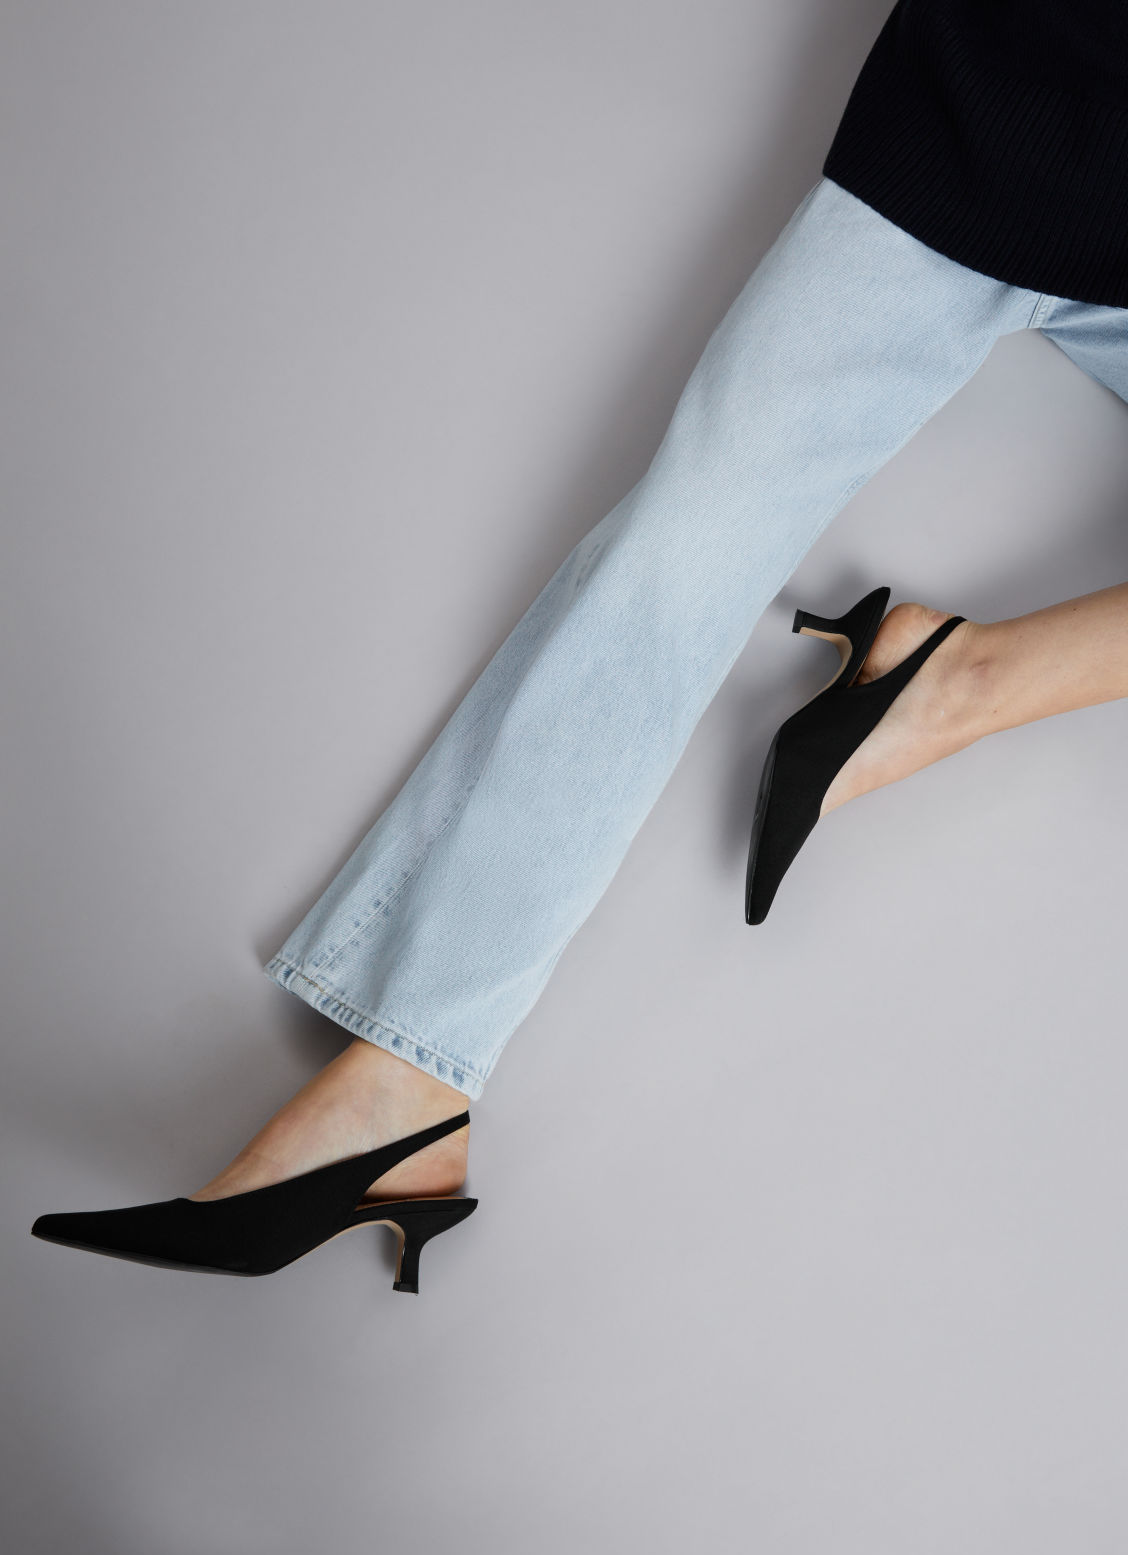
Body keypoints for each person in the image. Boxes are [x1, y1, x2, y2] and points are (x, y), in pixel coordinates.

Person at [29, 0, 1128, 1290]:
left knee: (685, 541)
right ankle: (403, 1084)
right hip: (994, 122)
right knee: (683, 544)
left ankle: (961, 686)